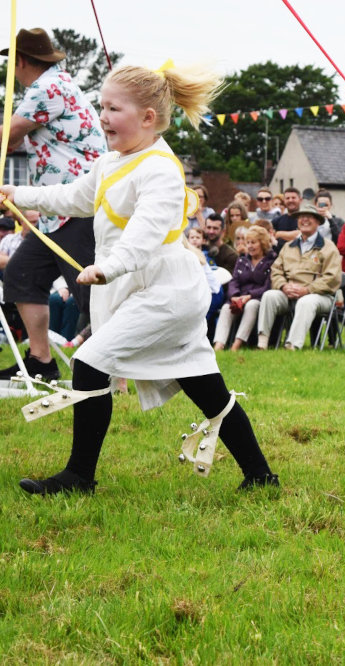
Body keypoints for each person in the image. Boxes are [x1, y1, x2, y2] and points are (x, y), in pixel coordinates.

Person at [1, 62, 278, 495]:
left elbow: (147, 233)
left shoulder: (161, 169)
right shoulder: (112, 162)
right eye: (101, 106)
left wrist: (107, 267)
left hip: (166, 291)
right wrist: (19, 194)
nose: (102, 117)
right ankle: (261, 476)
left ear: (148, 118)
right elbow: (74, 196)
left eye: (113, 109)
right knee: (202, 383)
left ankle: (78, 478)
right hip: (142, 288)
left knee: (91, 362)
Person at [0, 28, 106, 382]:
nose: (10, 70)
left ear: (22, 61)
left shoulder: (48, 87)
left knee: (91, 293)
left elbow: (8, 137)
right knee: (21, 275)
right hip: (55, 213)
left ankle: (114, 372)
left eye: (11, 62)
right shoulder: (51, 86)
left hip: (77, 206)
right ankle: (41, 360)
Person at [257, 203, 341, 350]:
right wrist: (283, 286)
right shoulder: (288, 246)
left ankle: (292, 345)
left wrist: (307, 290)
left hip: (320, 296)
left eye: (309, 217)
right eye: (301, 217)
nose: (304, 220)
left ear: (318, 222)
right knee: (269, 296)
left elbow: (332, 277)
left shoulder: (328, 247)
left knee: (306, 301)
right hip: (289, 292)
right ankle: (262, 343)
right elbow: (276, 270)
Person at [214, 225, 275, 351]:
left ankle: (236, 344)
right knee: (226, 307)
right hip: (239, 296)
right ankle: (219, 345)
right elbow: (234, 281)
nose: (250, 246)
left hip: (257, 298)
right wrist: (234, 296)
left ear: (262, 243)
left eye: (253, 242)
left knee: (251, 305)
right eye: (248, 243)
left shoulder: (271, 261)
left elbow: (268, 286)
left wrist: (249, 296)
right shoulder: (242, 260)